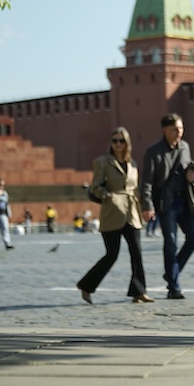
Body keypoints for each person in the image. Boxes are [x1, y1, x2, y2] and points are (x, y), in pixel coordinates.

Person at [77, 127, 153, 304]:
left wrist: (145, 206)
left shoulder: (133, 163)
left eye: (121, 141)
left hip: (131, 213)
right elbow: (95, 186)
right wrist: (109, 196)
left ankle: (139, 291)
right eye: (115, 140)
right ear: (110, 143)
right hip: (112, 213)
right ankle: (86, 285)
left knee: (137, 252)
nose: (118, 144)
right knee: (112, 254)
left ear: (127, 143)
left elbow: (136, 188)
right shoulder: (102, 162)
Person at [140, 113, 194, 299]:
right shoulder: (153, 151)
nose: (179, 132)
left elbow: (189, 169)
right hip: (166, 203)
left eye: (181, 128)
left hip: (185, 201)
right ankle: (174, 287)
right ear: (164, 129)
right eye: (175, 129)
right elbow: (146, 181)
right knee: (171, 243)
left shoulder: (185, 147)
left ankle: (172, 272)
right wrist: (147, 205)